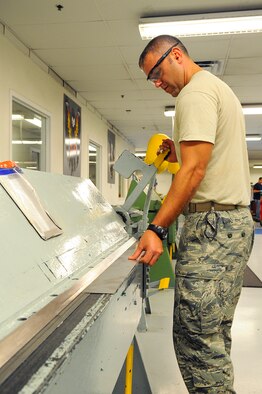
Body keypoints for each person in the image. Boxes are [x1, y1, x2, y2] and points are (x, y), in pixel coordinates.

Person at [129, 35, 254, 393]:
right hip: (230, 225)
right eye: (150, 78)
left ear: (177, 56)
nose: (157, 83)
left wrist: (156, 227)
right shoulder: (215, 89)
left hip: (213, 228)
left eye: (157, 71)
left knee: (195, 338)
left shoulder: (194, 94)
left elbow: (195, 171)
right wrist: (178, 160)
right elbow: (199, 164)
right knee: (213, 333)